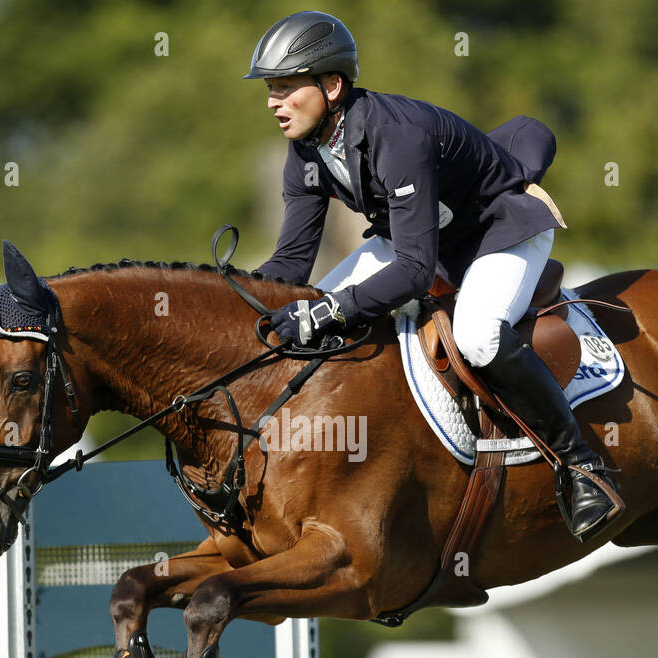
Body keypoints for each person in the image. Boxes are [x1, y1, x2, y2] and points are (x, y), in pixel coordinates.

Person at [245, 11, 622, 541]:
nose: (272, 102)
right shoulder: (305, 149)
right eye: (270, 89)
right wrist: (242, 301)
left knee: (478, 337)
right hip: (426, 239)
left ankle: (582, 466)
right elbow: (291, 265)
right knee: (313, 304)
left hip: (498, 231)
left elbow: (415, 273)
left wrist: (333, 310)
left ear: (331, 86)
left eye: (285, 88)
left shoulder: (395, 136)